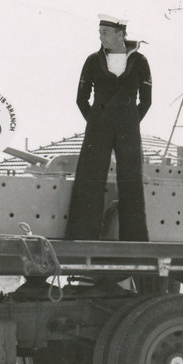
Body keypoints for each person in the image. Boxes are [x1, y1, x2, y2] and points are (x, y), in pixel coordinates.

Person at [66, 14, 152, 241]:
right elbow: (81, 99)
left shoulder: (140, 61)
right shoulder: (92, 61)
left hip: (128, 129)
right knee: (90, 178)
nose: (101, 36)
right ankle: (82, 235)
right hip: (98, 127)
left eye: (105, 32)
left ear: (121, 34)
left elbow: (146, 100)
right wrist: (97, 120)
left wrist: (130, 120)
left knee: (131, 181)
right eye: (100, 33)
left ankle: (135, 239)